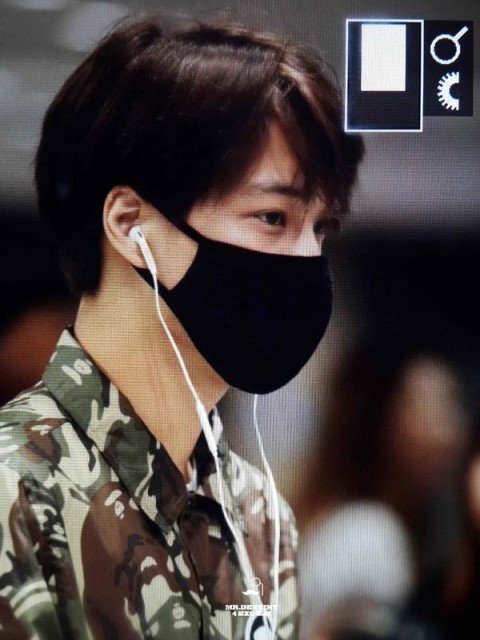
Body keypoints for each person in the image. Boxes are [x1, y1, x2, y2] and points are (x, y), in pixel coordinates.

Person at [0, 13, 364, 640]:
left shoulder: (260, 518)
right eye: (273, 218)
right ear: (129, 224)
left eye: (321, 228)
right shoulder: (16, 495)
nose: (309, 259)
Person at [296, 338, 469, 640]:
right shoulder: (369, 534)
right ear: (379, 419)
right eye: (436, 409)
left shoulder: (359, 525)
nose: (454, 433)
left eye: (455, 408)